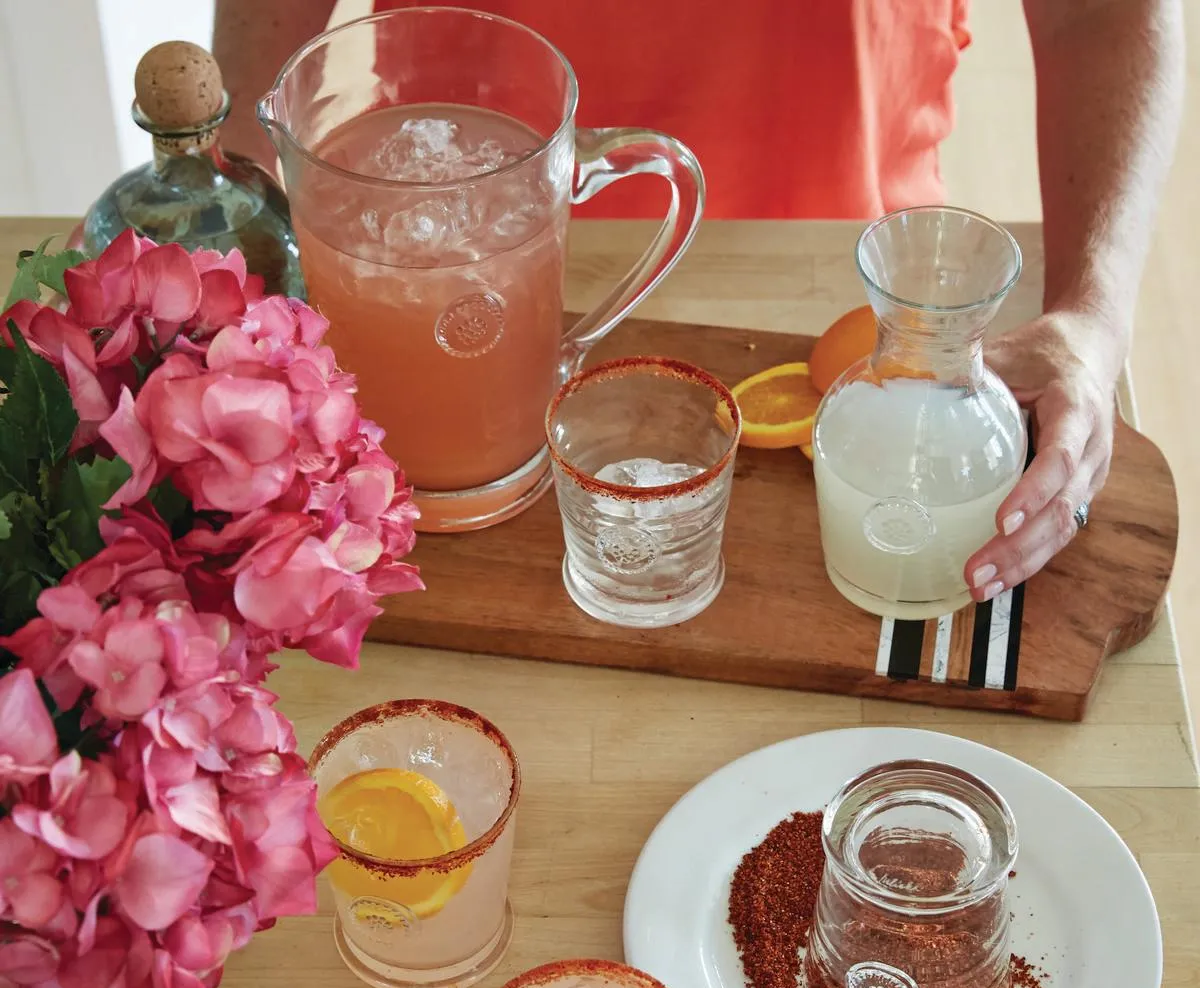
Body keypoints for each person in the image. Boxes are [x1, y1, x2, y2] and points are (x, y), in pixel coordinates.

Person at [213, 0, 1183, 602]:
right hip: (443, 258)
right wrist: (240, 237)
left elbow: (1097, 11)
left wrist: (1090, 321)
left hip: (849, 296)